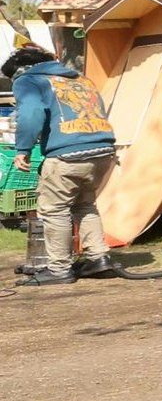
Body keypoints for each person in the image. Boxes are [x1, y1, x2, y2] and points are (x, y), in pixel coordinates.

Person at [8, 43, 125, 285]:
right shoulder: (80, 79)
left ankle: (59, 269)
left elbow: (31, 114)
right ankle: (98, 258)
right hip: (102, 149)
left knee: (54, 209)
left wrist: (23, 149)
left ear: (20, 69)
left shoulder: (28, 80)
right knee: (85, 205)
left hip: (67, 155)